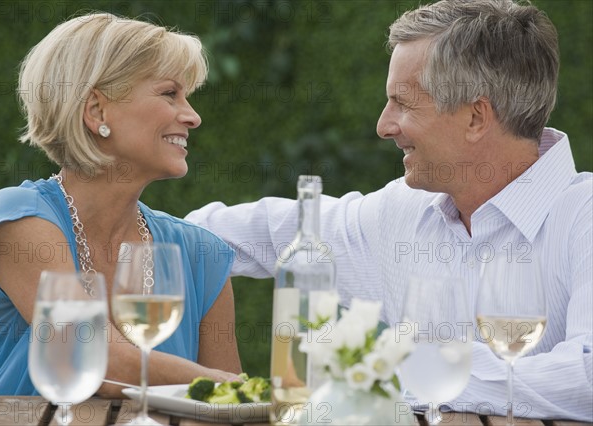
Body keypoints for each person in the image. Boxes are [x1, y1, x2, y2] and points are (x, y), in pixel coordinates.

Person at [185, 0, 592, 421]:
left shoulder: (585, 217)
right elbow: (260, 235)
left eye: (403, 103)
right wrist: (133, 233)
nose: (383, 125)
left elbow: (587, 377)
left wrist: (412, 367)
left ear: (475, 117)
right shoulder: (404, 212)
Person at [0, 13, 242, 397]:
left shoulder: (200, 254)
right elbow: (91, 360)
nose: (193, 116)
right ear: (97, 111)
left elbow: (231, 411)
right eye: (169, 93)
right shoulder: (20, 219)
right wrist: (243, 388)